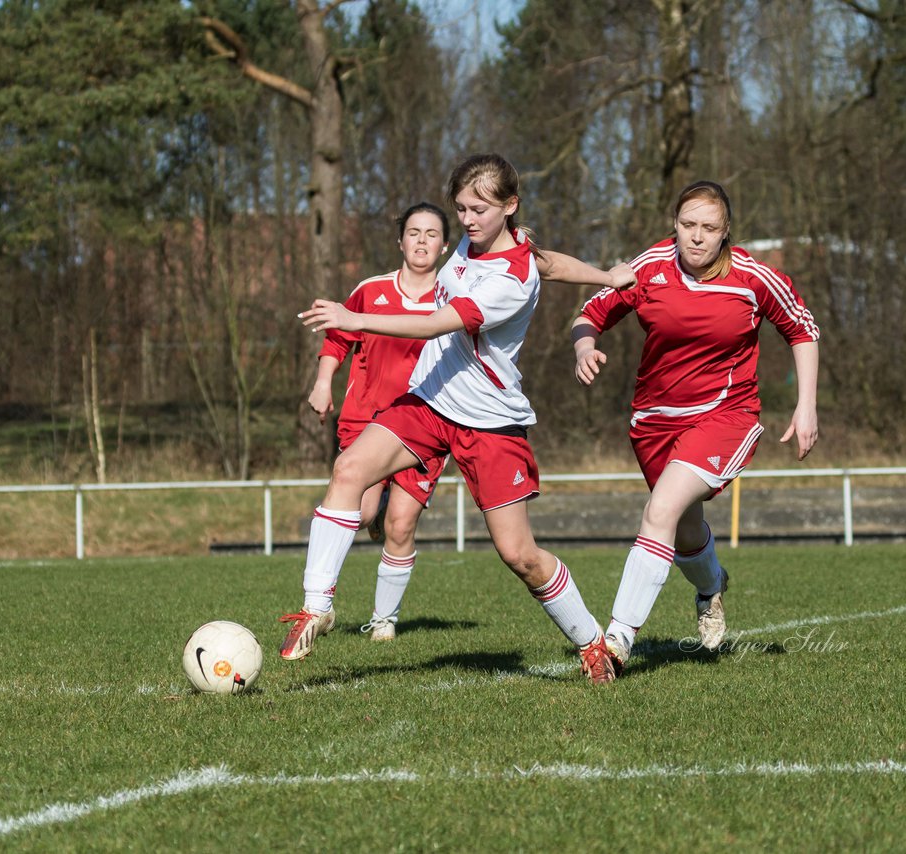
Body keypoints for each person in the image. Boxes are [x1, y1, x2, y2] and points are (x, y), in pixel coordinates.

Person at [291, 152, 635, 685]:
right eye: (462, 209)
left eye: (479, 209)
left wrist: (351, 317)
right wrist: (608, 275)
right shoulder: (488, 243)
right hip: (430, 401)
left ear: (510, 205)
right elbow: (553, 262)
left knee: (519, 556)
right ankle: (317, 608)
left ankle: (592, 641)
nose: (468, 220)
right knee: (348, 470)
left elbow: (434, 325)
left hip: (489, 422)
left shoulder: (509, 279)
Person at [571, 179, 820, 672]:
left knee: (660, 508)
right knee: (683, 530)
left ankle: (616, 643)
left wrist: (806, 404)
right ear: (675, 225)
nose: (697, 237)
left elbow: (801, 328)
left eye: (709, 228)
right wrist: (583, 346)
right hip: (654, 422)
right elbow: (590, 312)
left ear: (726, 232)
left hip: (725, 417)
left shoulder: (752, 277)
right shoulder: (648, 268)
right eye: (688, 225)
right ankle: (711, 586)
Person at [305, 201, 451, 643]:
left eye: (431, 234)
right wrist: (323, 381)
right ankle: (320, 598)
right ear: (400, 241)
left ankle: (384, 620)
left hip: (426, 424)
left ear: (444, 246)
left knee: (401, 525)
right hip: (365, 421)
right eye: (413, 232)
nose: (422, 240)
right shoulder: (371, 290)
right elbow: (338, 338)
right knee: (364, 509)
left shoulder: (453, 296)